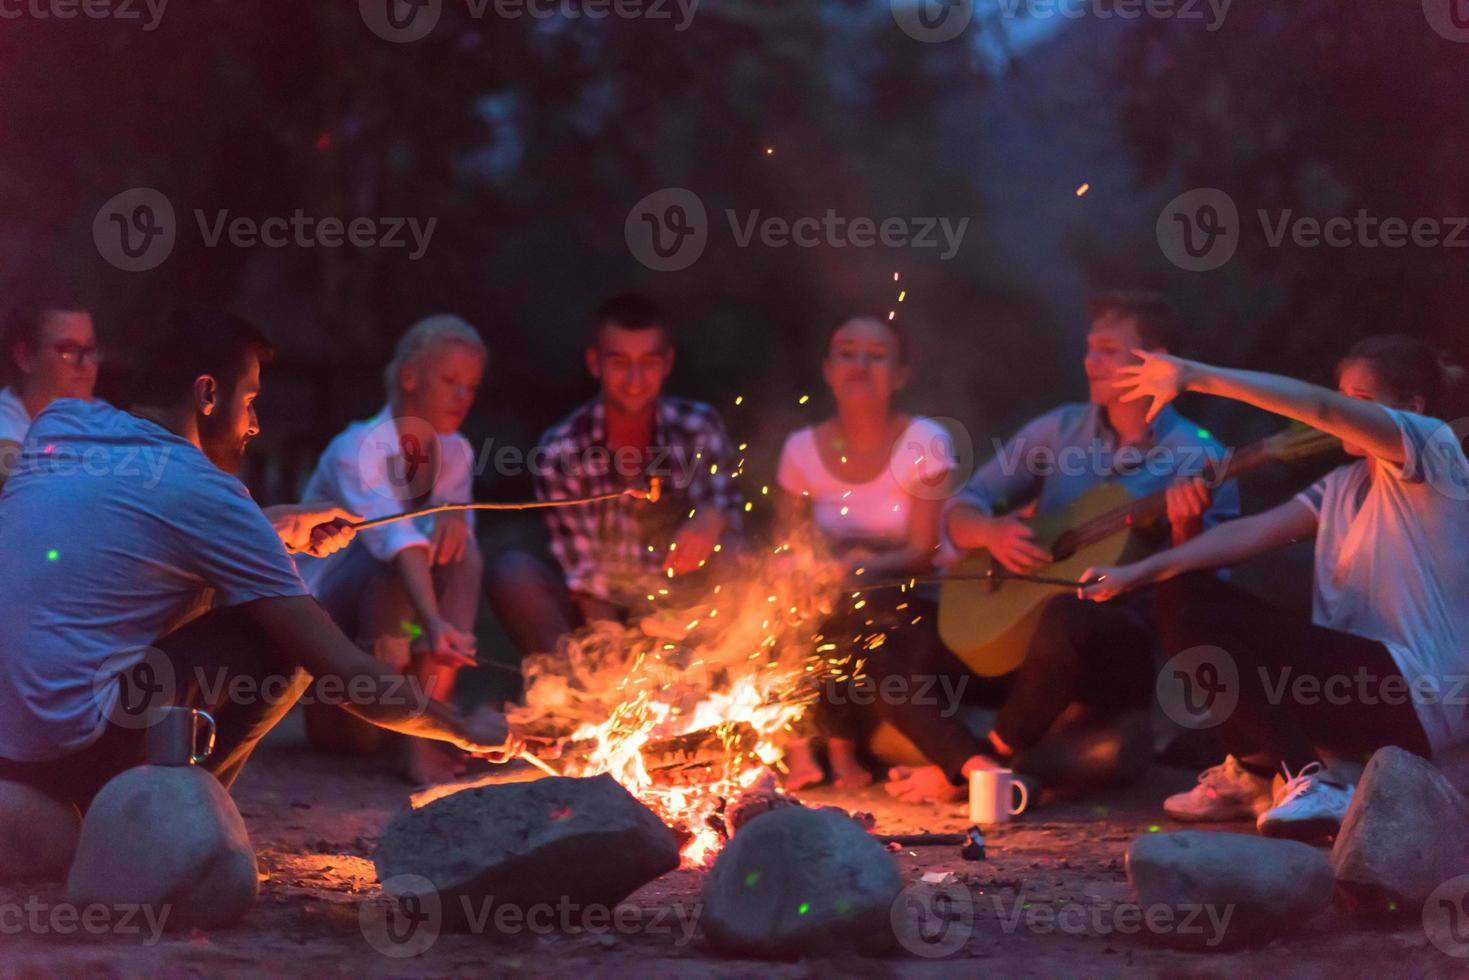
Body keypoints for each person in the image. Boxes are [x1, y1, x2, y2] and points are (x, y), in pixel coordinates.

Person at [0, 308, 515, 813]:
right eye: (249, 400)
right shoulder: (209, 492)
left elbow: (124, 531)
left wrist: (273, 526)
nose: (254, 424)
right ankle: (174, 821)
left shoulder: (62, 423)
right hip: (70, 750)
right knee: (282, 641)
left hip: (9, 749)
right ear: (207, 394)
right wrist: (461, 727)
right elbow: (341, 668)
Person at [1080, 334, 1468, 840]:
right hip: (1355, 689)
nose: (1346, 411)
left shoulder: (1433, 451)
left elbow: (1320, 407)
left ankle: (1310, 780)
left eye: (1363, 401)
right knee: (1181, 592)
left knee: (1199, 613)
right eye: (1344, 393)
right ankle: (1261, 770)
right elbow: (1245, 535)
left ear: (1411, 407)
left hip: (1418, 698)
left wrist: (1195, 374)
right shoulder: (1342, 485)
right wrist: (1138, 572)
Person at [883, 291, 1241, 803]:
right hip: (1018, 640)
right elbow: (965, 505)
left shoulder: (1199, 455)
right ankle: (970, 766)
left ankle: (984, 763)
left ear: (1157, 360)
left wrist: (1187, 527)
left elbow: (1204, 592)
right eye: (1089, 348)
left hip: (1111, 650)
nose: (1089, 361)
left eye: (1108, 350)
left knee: (1067, 615)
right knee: (890, 635)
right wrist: (991, 533)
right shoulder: (1059, 429)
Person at [485, 292, 743, 658]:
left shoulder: (697, 427)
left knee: (733, 552)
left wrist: (711, 520)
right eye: (620, 362)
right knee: (511, 573)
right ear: (595, 363)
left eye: (648, 362)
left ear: (667, 362)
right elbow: (584, 576)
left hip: (686, 608)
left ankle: (725, 665)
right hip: (598, 613)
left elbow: (727, 505)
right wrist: (612, 660)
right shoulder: (562, 449)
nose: (635, 378)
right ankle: (570, 694)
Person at [296, 315, 490, 784]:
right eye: (449, 381)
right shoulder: (357, 447)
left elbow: (447, 553)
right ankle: (411, 733)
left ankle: (428, 725)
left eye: (471, 386)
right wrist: (432, 621)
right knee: (393, 574)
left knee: (462, 549)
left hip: (398, 628)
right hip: (332, 643)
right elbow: (398, 543)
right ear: (410, 377)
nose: (462, 397)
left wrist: (451, 511)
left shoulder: (456, 452)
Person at [775, 315, 956, 789]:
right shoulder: (800, 449)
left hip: (907, 597)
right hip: (824, 589)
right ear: (828, 369)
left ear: (900, 375)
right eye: (847, 353)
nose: (860, 365)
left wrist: (853, 567)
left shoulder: (926, 442)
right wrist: (798, 568)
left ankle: (841, 750)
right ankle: (797, 747)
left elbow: (923, 550)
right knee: (780, 596)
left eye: (876, 357)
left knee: (849, 599)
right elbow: (788, 542)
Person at [0, 296, 100, 489]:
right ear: (25, 358)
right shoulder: (6, 427)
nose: (87, 365)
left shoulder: (98, 411)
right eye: (69, 351)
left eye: (90, 349)